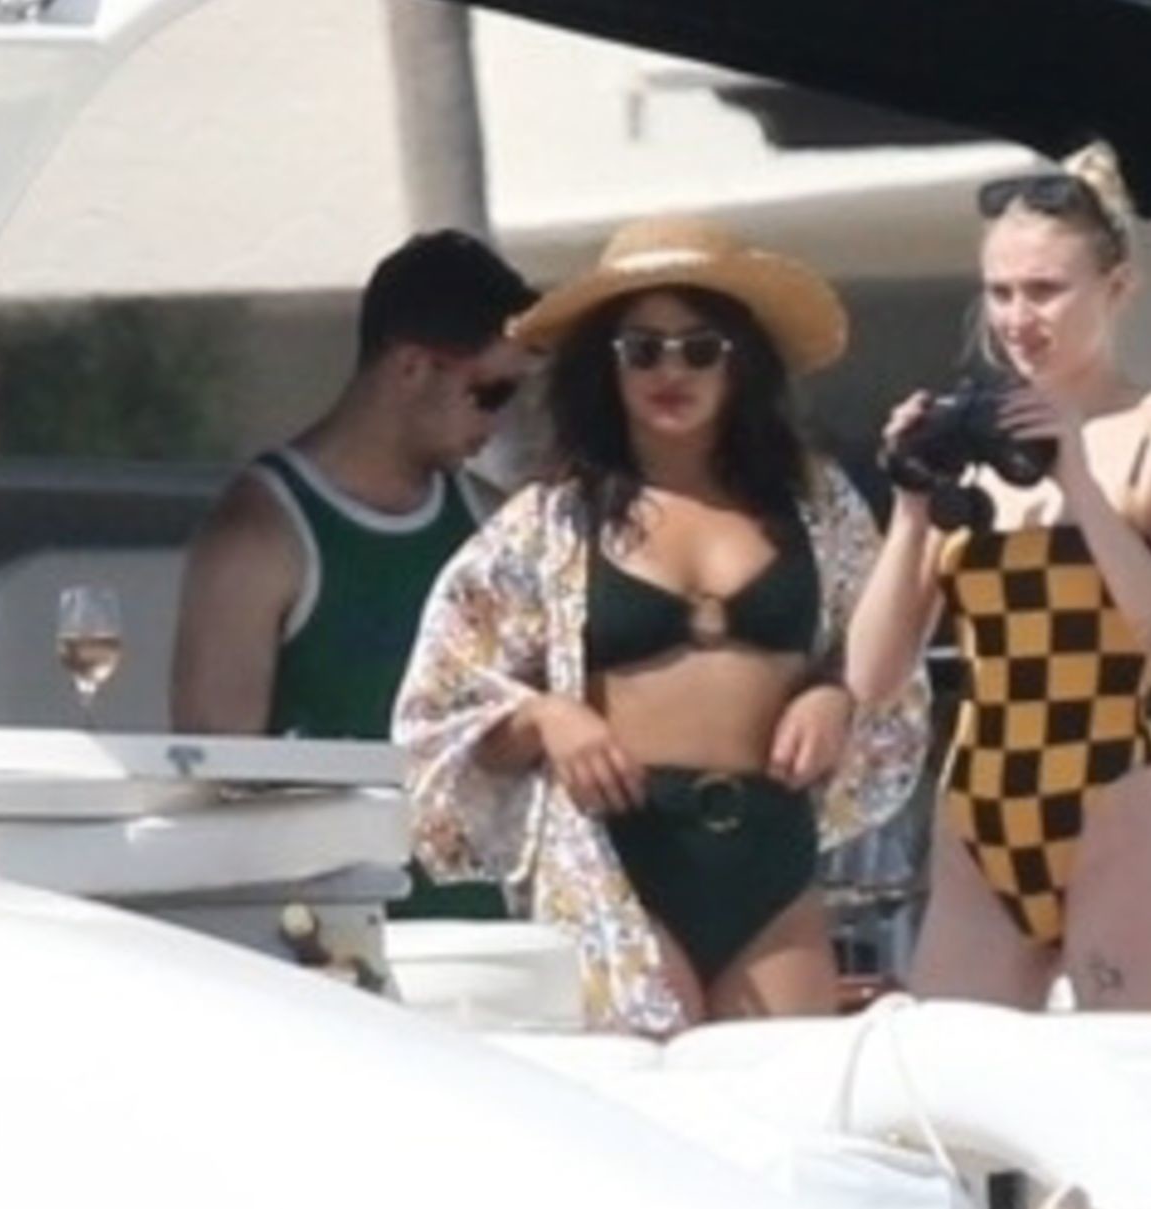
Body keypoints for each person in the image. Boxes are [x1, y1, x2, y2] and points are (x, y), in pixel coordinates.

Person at [392, 215, 930, 1034]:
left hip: (773, 857)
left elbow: (887, 657)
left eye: (699, 349)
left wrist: (834, 695)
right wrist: (546, 717)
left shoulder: (819, 506)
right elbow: (440, 706)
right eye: (641, 349)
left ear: (739, 361)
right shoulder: (550, 522)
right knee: (636, 1098)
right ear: (604, 366)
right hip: (617, 861)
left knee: (787, 1096)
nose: (669, 371)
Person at [847, 145, 1151, 1011]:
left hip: (1107, 801)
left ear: (1117, 287)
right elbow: (871, 677)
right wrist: (910, 507)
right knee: (957, 1081)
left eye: (1045, 291)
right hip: (981, 809)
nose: (1019, 319)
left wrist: (1081, 487)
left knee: (1135, 1073)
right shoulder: (972, 443)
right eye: (1000, 293)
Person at [172, 229, 537, 920]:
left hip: (481, 938)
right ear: (411, 368)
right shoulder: (259, 536)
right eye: (490, 392)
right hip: (325, 942)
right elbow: (215, 787)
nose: (498, 421)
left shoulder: (496, 527)